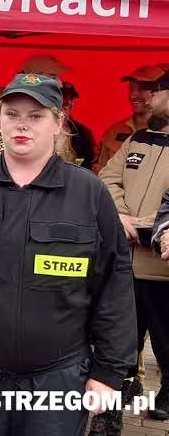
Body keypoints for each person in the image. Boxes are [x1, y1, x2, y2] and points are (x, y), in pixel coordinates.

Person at [0, 73, 136, 436]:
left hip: (57, 379)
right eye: (12, 114)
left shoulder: (88, 193)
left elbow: (115, 286)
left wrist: (108, 372)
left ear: (58, 123)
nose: (22, 125)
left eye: (36, 116)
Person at [99, 68, 169, 428]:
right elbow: (107, 178)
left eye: (153, 92)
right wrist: (120, 215)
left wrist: (146, 224)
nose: (146, 99)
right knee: (122, 334)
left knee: (166, 337)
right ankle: (125, 388)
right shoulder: (137, 139)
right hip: (125, 262)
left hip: (161, 266)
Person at [95, 65, 162, 172]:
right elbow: (101, 174)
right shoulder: (114, 131)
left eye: (141, 89)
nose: (133, 95)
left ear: (160, 91)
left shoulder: (165, 131)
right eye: (131, 89)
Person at [61, 81, 96, 170]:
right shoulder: (41, 128)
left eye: (71, 98)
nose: (69, 102)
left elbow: (89, 162)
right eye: (64, 97)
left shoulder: (83, 132)